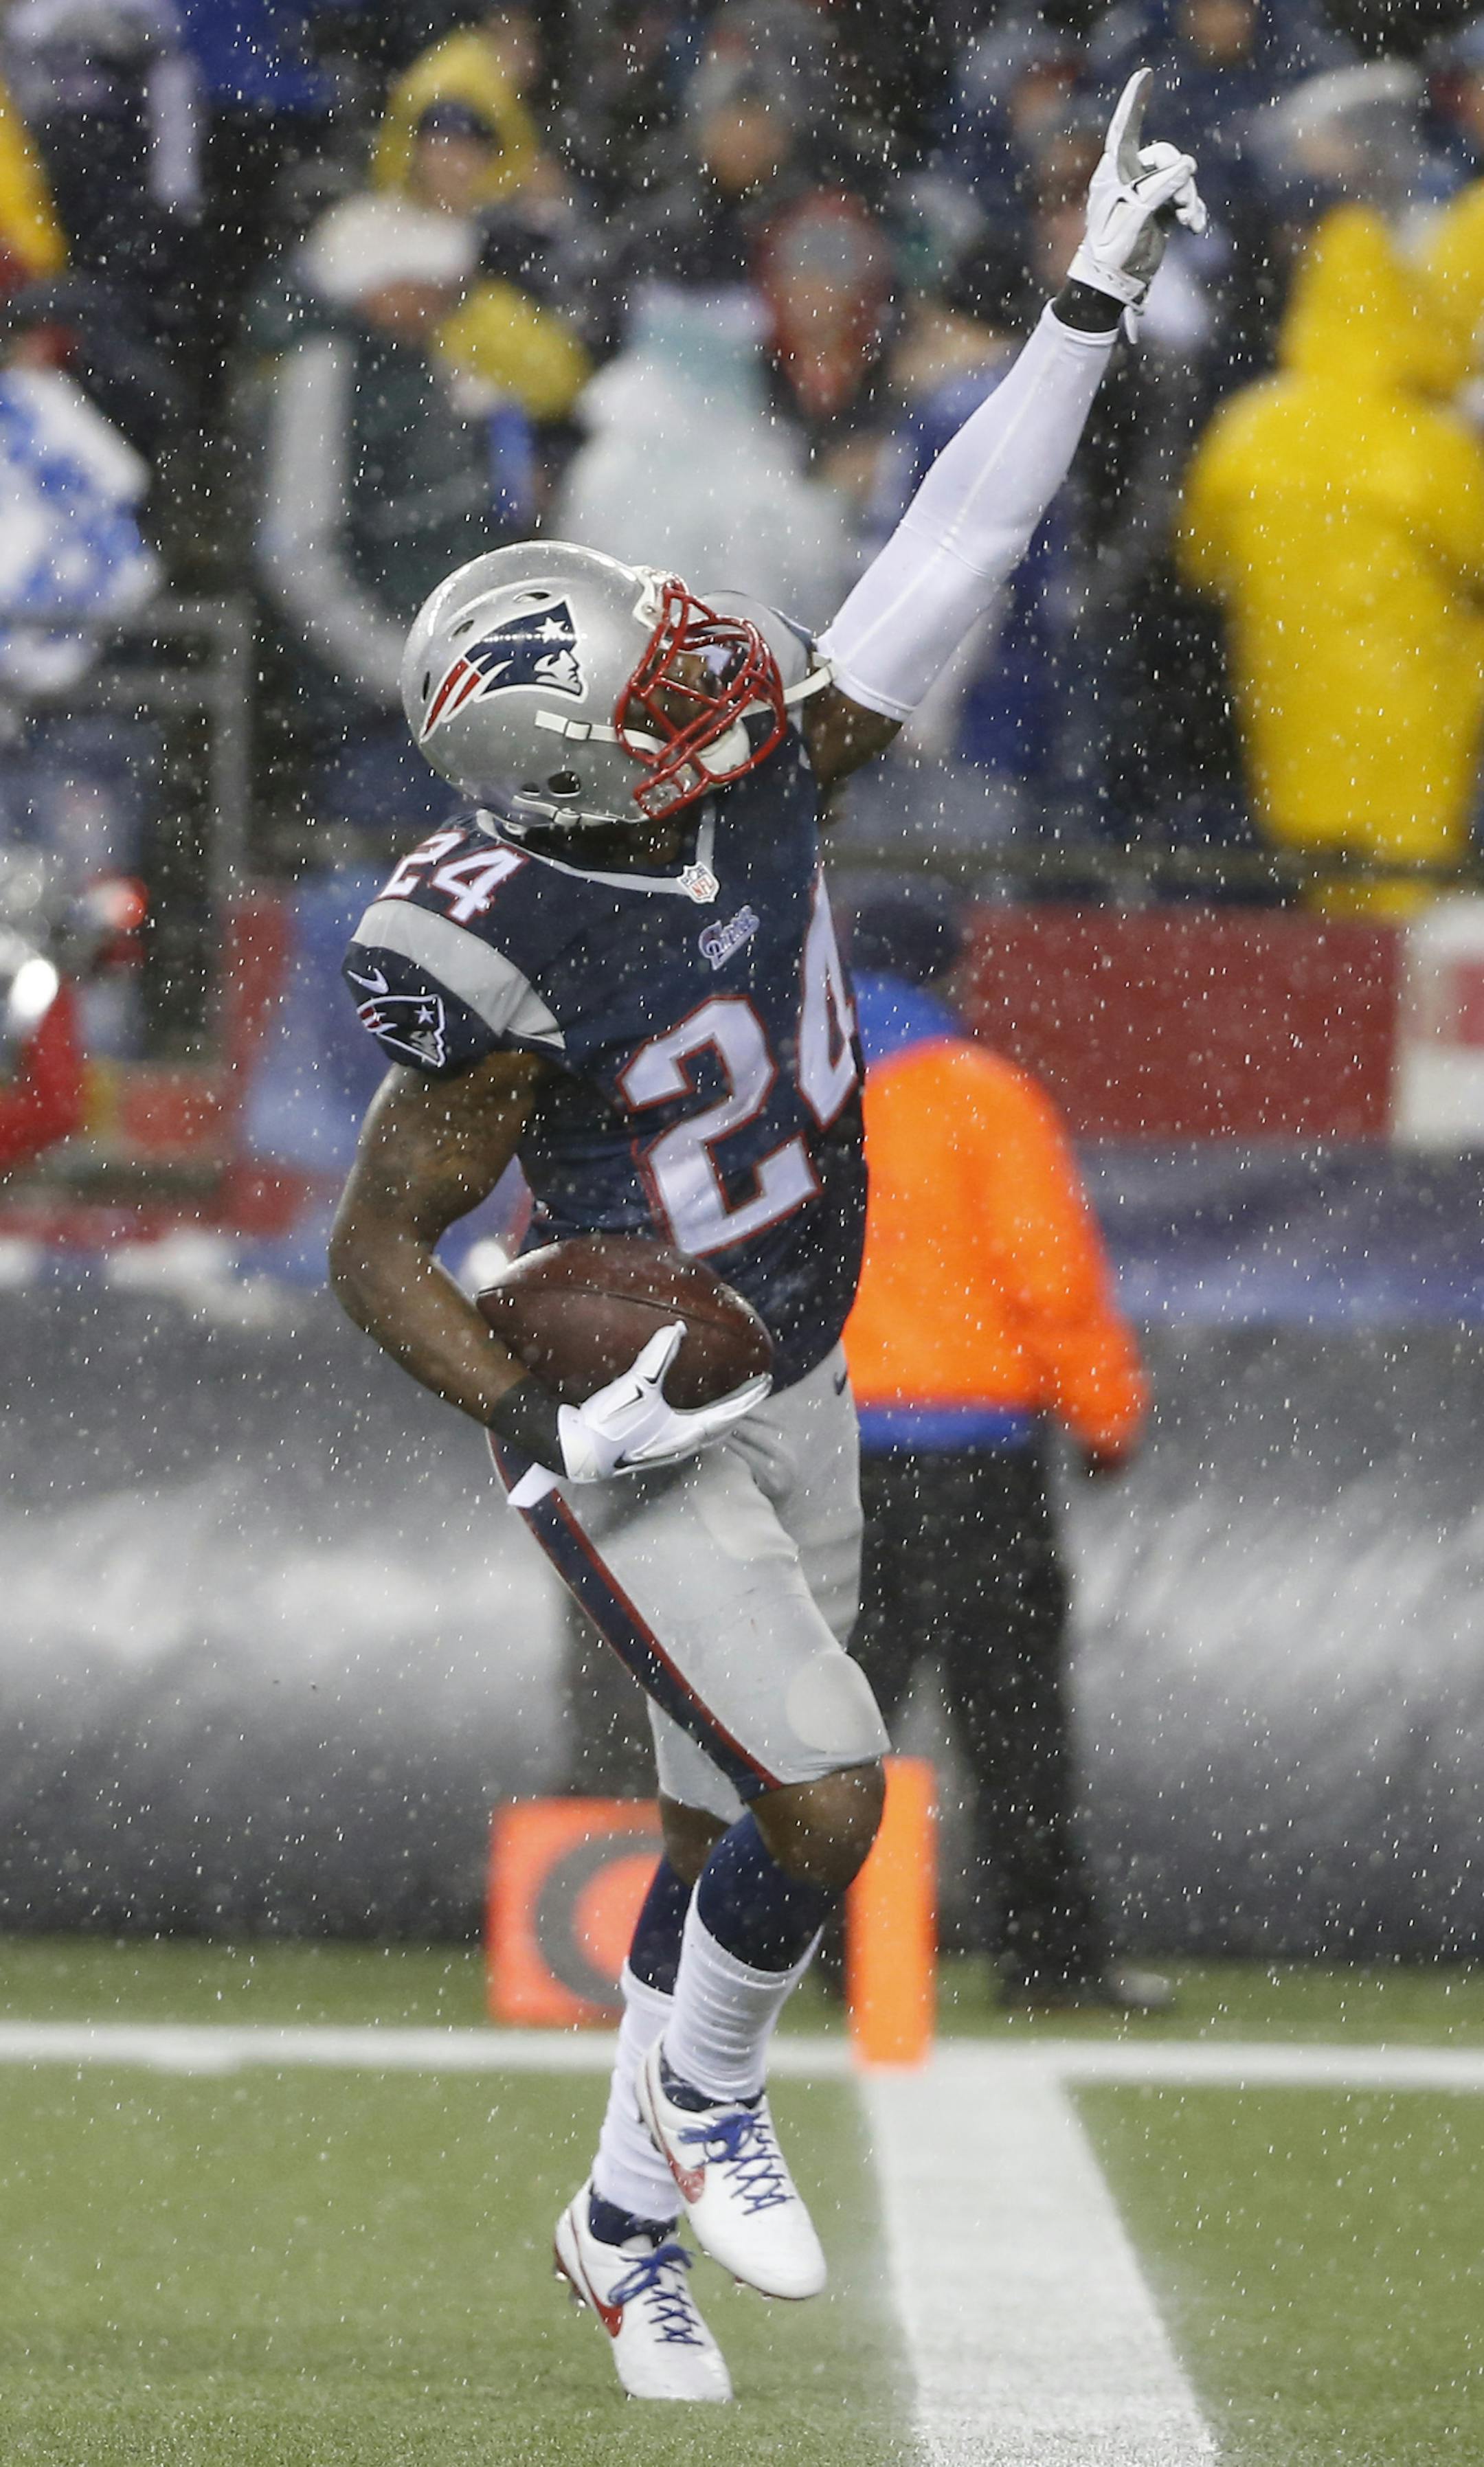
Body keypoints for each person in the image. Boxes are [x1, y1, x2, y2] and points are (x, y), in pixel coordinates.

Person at [327, 76, 1202, 2406]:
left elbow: (959, 547)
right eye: (646, 685)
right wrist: (544, 1413)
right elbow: (373, 1254)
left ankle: (622, 2228)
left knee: (728, 1817)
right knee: (828, 1795)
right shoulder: (506, 980)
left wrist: (1090, 308)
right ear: (576, 781)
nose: (700, 666)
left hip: (794, 1350)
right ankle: (699, 2115)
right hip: (636, 1405)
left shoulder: (766, 773)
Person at [842, 879, 1158, 2009]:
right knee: (1013, 1715)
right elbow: (1052, 1278)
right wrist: (1106, 1413)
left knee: (828, 1718)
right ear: (949, 975)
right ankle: (1050, 1958)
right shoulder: (981, 1096)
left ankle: (818, 1954)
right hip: (975, 1451)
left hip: (831, 1454)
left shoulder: (784, 1097)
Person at [1179, 201, 1484, 912]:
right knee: (1401, 916)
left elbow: (1199, 558)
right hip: (1415, 727)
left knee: (1319, 916)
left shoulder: (1249, 427)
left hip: (1288, 718)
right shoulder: (1426, 444)